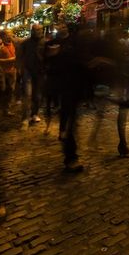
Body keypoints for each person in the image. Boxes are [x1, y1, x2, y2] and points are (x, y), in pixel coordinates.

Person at [46, 23, 84, 172]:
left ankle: (68, 145)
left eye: (64, 26)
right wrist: (51, 56)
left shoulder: (74, 42)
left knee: (71, 118)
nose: (62, 28)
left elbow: (79, 62)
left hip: (74, 85)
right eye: (59, 26)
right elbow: (47, 64)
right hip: (62, 86)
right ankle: (71, 157)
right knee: (70, 119)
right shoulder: (52, 43)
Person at [18, 24, 45, 126]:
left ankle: (34, 114)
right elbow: (20, 56)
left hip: (39, 72)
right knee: (27, 95)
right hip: (28, 71)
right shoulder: (26, 42)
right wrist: (20, 68)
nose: (40, 31)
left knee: (37, 95)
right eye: (37, 30)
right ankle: (25, 118)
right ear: (32, 31)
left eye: (41, 29)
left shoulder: (44, 42)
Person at [0, 30, 17, 116]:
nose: (11, 35)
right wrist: (9, 60)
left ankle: (6, 109)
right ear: (4, 36)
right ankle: (0, 108)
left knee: (10, 91)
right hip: (2, 72)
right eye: (9, 34)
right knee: (2, 91)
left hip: (12, 72)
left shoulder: (14, 44)